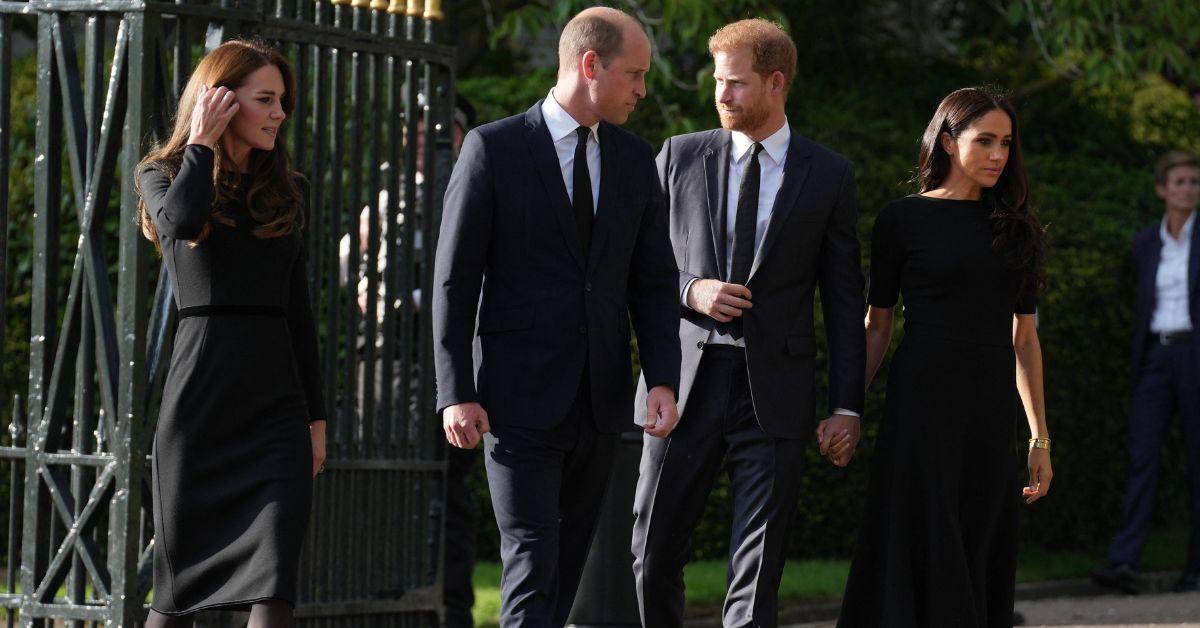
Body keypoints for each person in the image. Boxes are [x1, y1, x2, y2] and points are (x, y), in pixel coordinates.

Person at [431, 7, 681, 628]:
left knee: (565, 566)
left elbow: (652, 282)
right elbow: (454, 282)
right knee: (531, 558)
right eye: (636, 74)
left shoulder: (633, 159)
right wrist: (454, 392)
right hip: (516, 401)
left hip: (598, 400)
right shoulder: (494, 148)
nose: (643, 90)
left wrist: (662, 378)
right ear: (590, 65)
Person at [630, 19, 866, 628]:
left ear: (776, 83)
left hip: (775, 393)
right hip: (683, 382)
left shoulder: (829, 174)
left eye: (735, 84)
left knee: (758, 571)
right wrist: (692, 288)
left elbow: (844, 300)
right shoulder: (680, 155)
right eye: (718, 82)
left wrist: (846, 404)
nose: (722, 95)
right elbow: (639, 264)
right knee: (653, 556)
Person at [837, 87, 1053, 627]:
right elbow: (878, 325)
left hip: (988, 408)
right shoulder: (901, 220)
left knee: (977, 534)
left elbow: (1024, 338)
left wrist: (1039, 438)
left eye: (1006, 143)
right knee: (919, 529)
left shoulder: (1018, 230)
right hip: (921, 400)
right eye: (985, 141)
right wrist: (846, 409)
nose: (999, 155)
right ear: (949, 141)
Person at [135, 40, 326, 627]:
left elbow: (299, 313)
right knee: (177, 592)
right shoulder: (160, 174)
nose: (279, 114)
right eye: (265, 99)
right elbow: (183, 224)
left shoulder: (286, 189)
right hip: (201, 407)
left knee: (273, 582)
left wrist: (315, 420)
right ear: (218, 100)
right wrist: (200, 144)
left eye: (283, 101)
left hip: (276, 414)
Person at [1094, 149, 1200, 595]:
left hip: (1195, 355)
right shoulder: (1144, 243)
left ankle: (1196, 568)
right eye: (1179, 182)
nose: (1188, 189)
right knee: (1143, 458)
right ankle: (1125, 562)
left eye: (1194, 181)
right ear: (1161, 189)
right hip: (1156, 357)